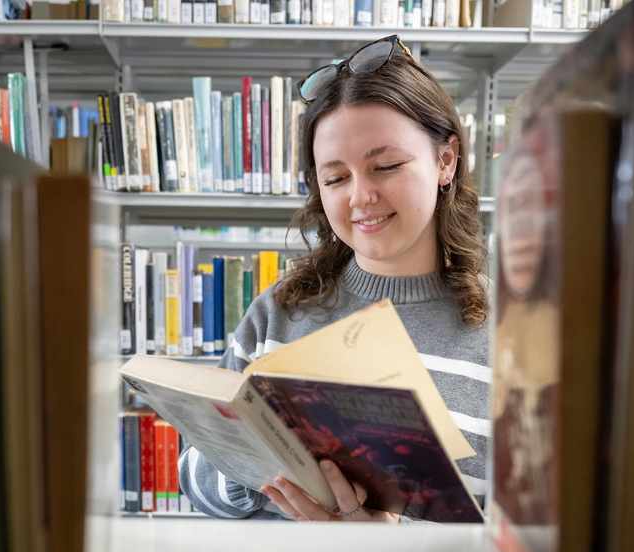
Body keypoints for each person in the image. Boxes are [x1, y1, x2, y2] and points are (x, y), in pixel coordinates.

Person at [178, 34, 490, 522]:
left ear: (445, 160)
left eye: (385, 166)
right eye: (336, 179)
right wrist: (274, 463)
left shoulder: (512, 332)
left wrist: (398, 538)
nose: (361, 197)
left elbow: (541, 528)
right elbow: (194, 480)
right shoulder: (278, 312)